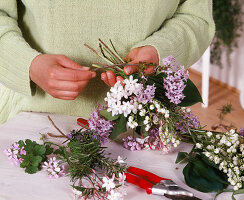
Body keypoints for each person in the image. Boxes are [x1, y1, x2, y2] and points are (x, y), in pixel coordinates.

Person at [0, 0, 215, 124]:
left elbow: (196, 17)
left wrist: (160, 50)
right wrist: (28, 64)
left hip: (143, 122)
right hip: (31, 118)